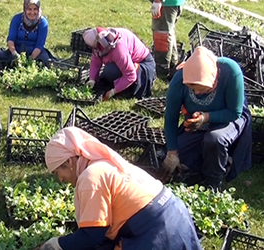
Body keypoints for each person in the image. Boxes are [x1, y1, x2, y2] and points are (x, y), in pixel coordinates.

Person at [40, 126, 202, 250]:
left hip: (156, 230)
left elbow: (93, 235)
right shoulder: (104, 164)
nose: (60, 179)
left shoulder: (91, 176)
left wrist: (59, 244)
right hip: (176, 215)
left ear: (69, 162)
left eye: (58, 171)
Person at [162, 46, 252, 190]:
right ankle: (207, 165)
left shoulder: (230, 72)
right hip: (199, 121)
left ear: (214, 79)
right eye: (192, 88)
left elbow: (234, 112)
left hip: (230, 117)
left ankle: (213, 183)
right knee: (182, 154)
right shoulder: (180, 79)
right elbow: (171, 117)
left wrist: (206, 117)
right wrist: (172, 152)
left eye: (202, 88)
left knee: (214, 139)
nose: (197, 92)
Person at [82, 27, 156, 101]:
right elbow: (96, 60)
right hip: (125, 62)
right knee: (109, 71)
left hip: (143, 64)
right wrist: (92, 79)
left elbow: (130, 75)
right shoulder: (102, 42)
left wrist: (114, 91)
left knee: (110, 71)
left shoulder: (118, 50)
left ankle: (129, 87)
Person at [0, 0, 54, 67]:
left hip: (35, 52)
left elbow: (39, 45)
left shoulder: (43, 23)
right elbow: (10, 39)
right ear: (25, 9)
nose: (32, 12)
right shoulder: (16, 19)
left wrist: (30, 60)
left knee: (44, 61)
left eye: (35, 9)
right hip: (17, 50)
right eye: (29, 9)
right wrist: (15, 54)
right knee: (1, 58)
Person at [150, 0, 186, 79]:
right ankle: (173, 62)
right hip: (174, 3)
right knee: (168, 32)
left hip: (166, 3)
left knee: (162, 35)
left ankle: (162, 68)